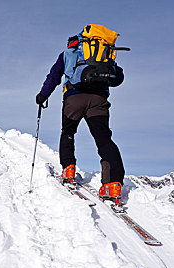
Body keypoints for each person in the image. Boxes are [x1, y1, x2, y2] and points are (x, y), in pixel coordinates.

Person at [35, 26, 125, 203]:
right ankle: (112, 184)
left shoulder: (67, 53)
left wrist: (42, 96)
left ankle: (68, 169)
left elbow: (54, 76)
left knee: (68, 133)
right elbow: (116, 73)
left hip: (73, 99)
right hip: (99, 100)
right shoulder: (103, 51)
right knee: (104, 139)